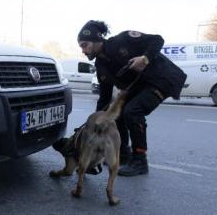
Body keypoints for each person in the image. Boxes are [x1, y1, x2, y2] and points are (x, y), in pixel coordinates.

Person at [72, 20, 186, 177]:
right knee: (117, 112)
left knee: (132, 112)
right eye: (81, 47)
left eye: (85, 45)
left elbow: (157, 39)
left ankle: (140, 160)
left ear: (97, 40)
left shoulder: (123, 39)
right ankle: (123, 154)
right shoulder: (101, 65)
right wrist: (96, 121)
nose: (83, 50)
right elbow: (104, 99)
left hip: (162, 78)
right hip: (141, 84)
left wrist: (145, 58)